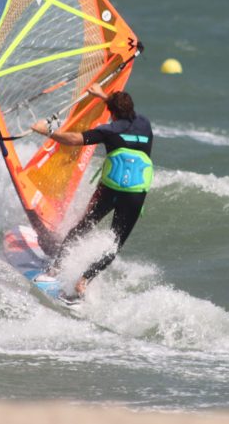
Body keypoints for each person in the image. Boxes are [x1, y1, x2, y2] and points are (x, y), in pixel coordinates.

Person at [31, 82, 153, 303]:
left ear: (111, 113)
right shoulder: (145, 124)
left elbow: (73, 140)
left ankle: (54, 270)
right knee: (115, 244)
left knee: (82, 227)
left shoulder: (108, 130)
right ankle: (85, 279)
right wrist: (103, 96)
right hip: (136, 194)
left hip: (109, 191)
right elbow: (123, 113)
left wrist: (47, 131)